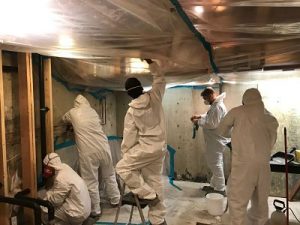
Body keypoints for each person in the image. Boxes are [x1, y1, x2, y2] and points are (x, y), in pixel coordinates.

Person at [116, 59, 167, 225]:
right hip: (160, 148)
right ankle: (158, 220)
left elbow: (128, 137)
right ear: (141, 88)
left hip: (145, 149)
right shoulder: (155, 97)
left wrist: (127, 155)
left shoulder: (131, 111)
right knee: (154, 179)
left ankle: (147, 194)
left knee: (122, 167)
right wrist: (152, 63)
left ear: (129, 94)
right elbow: (160, 79)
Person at [217, 88, 279, 225]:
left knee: (238, 201)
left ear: (244, 100)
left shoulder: (237, 111)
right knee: (260, 203)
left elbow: (221, 130)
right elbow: (272, 141)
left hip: (244, 165)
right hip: (264, 165)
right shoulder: (270, 117)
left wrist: (235, 137)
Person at [62, 94, 120, 218]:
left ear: (76, 104)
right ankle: (116, 200)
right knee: (109, 175)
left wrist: (72, 125)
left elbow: (64, 118)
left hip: (89, 152)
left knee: (91, 181)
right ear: (86, 103)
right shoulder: (93, 112)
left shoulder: (73, 112)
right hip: (104, 148)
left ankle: (95, 210)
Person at [190, 87, 228, 194]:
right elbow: (209, 116)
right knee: (215, 163)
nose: (204, 100)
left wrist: (198, 122)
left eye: (205, 97)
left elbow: (212, 123)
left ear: (211, 95)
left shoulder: (217, 107)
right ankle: (214, 186)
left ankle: (220, 189)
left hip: (216, 141)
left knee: (215, 164)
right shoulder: (215, 106)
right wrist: (199, 116)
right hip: (214, 140)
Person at [42, 153, 91, 225]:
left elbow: (56, 201)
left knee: (44, 208)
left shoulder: (61, 178)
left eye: (46, 167)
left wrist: (47, 194)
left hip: (78, 214)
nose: (45, 170)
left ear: (51, 167)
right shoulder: (65, 167)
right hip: (85, 208)